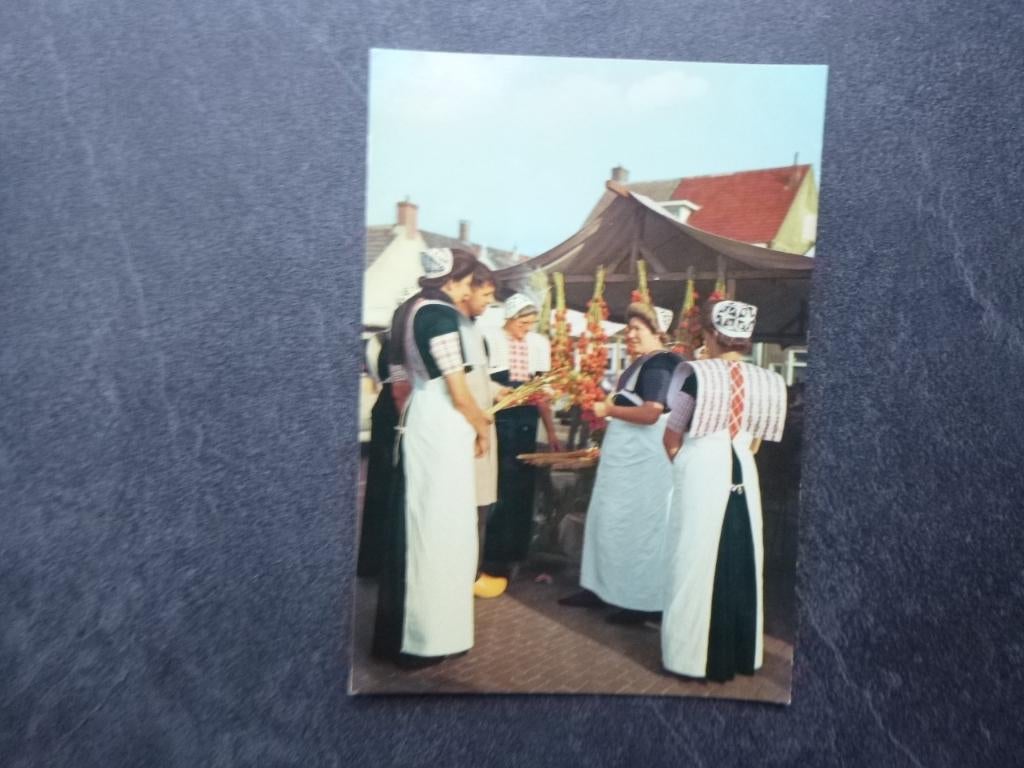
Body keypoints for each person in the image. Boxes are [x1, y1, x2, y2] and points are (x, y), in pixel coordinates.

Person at [372, 247, 492, 668]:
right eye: (468, 281)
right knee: (441, 531)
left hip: (424, 419)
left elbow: (399, 380)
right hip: (442, 423)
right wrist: (482, 426)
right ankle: (428, 636)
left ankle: (421, 633)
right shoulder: (440, 317)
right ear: (453, 281)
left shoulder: (407, 311)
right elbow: (458, 391)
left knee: (423, 524)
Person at [660, 299, 788, 682]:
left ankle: (689, 658)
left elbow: (671, 437)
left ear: (713, 336)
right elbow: (754, 444)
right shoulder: (768, 381)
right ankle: (739, 653)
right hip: (743, 469)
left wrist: (686, 467)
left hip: (701, 466)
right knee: (742, 552)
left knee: (691, 559)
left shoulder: (694, 375)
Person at [559, 304, 680, 624]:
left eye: (639, 330)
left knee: (637, 532)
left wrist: (608, 411)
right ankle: (600, 588)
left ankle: (640, 603)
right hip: (625, 465)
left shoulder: (661, 365)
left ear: (658, 333)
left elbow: (652, 412)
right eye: (630, 329)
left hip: (643, 467)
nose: (632, 335)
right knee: (608, 524)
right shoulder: (642, 364)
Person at [482, 293, 560, 582]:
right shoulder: (490, 339)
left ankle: (517, 553)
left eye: (530, 323)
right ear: (509, 319)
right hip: (499, 421)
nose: (526, 328)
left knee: (523, 488)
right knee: (499, 487)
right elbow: (480, 383)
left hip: (526, 423)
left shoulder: (538, 344)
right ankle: (492, 556)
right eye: (522, 323)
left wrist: (550, 430)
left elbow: (541, 393)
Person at [455, 263, 508, 599]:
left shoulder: (472, 328)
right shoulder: (456, 328)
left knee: (479, 508)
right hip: (470, 432)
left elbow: (473, 379)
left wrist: (496, 390)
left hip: (478, 426)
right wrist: (480, 427)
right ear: (467, 289)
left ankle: (471, 572)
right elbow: (457, 386)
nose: (489, 301)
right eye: (485, 294)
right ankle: (467, 576)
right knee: (470, 508)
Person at [356, 330, 398, 579]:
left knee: (379, 491)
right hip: (392, 417)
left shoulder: (388, 342)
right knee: (387, 490)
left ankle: (373, 563)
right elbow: (398, 388)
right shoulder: (397, 345)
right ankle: (380, 563)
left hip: (384, 414)